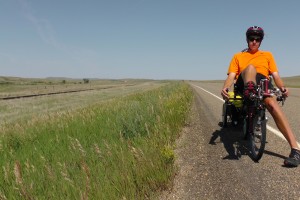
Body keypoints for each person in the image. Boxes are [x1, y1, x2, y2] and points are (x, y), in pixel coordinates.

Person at [221, 26, 300, 167]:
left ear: (261, 41)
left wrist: (282, 88)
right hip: (244, 83)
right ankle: (250, 92)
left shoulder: (267, 55)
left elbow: (275, 75)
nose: (254, 42)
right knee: (251, 68)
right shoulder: (238, 56)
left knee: (272, 104)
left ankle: (295, 149)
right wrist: (225, 87)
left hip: (263, 83)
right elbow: (232, 76)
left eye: (257, 39)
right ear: (247, 40)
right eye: (251, 39)